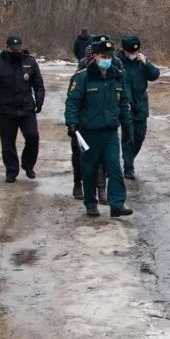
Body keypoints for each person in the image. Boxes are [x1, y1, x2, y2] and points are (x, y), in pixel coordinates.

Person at [64, 35, 133, 218]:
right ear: (94, 56)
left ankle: (117, 204)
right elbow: (72, 102)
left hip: (110, 131)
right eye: (103, 57)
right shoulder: (82, 78)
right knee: (89, 168)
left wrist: (127, 126)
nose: (106, 61)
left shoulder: (117, 77)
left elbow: (124, 103)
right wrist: (71, 124)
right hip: (89, 132)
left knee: (114, 168)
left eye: (109, 57)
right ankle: (91, 203)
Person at [0, 35, 44, 183]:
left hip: (26, 108)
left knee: (32, 136)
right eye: (13, 49)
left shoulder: (30, 62)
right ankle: (11, 170)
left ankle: (28, 165)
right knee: (8, 142)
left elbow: (38, 84)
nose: (16, 52)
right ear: (7, 48)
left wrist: (39, 100)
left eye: (18, 49)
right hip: (6, 110)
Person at [118, 34, 161, 181]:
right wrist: (126, 101)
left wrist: (146, 63)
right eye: (131, 52)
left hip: (141, 104)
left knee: (140, 136)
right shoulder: (118, 63)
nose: (134, 54)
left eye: (136, 52)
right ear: (124, 50)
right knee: (128, 136)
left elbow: (155, 75)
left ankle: (128, 160)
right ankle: (128, 168)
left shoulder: (141, 61)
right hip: (126, 105)